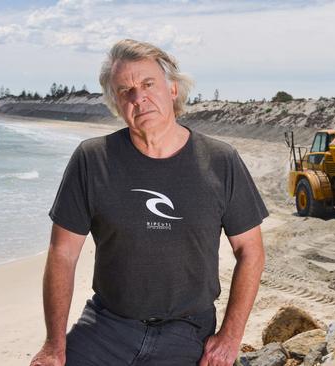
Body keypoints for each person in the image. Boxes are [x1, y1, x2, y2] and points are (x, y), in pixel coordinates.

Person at [30, 39, 268, 366]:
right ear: (116, 103)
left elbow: (250, 250)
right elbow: (63, 253)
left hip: (188, 331)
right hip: (107, 326)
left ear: (172, 89)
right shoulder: (92, 159)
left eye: (147, 84)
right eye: (125, 91)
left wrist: (229, 337)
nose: (138, 97)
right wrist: (54, 346)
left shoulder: (220, 160)